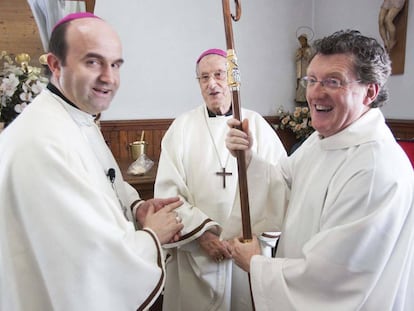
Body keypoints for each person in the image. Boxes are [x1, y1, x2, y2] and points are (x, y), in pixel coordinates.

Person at [0, 12, 184, 311]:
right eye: (93, 62)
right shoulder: (41, 141)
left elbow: (104, 181)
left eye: (115, 64)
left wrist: (137, 208)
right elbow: (90, 259)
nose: (109, 78)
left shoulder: (78, 119)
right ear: (55, 64)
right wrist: (152, 236)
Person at [225, 30, 414, 310]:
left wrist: (257, 265)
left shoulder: (374, 168)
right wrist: (248, 157)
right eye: (311, 80)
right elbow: (285, 186)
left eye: (332, 82)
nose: (315, 92)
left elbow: (332, 281)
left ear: (370, 92)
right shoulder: (323, 140)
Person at [154, 48, 287, 310]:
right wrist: (201, 236)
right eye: (204, 78)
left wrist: (252, 238)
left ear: (233, 79)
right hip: (197, 252)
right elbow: (169, 194)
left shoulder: (257, 125)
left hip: (247, 251)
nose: (212, 83)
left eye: (219, 75)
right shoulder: (181, 128)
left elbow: (279, 185)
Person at [295, 34, 312, 103]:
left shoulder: (309, 49)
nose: (301, 43)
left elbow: (310, 59)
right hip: (300, 69)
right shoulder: (299, 50)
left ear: (306, 40)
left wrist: (304, 54)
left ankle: (307, 99)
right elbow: (296, 58)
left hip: (307, 69)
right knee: (300, 84)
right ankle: (300, 100)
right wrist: (300, 54)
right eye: (300, 41)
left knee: (306, 83)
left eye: (302, 41)